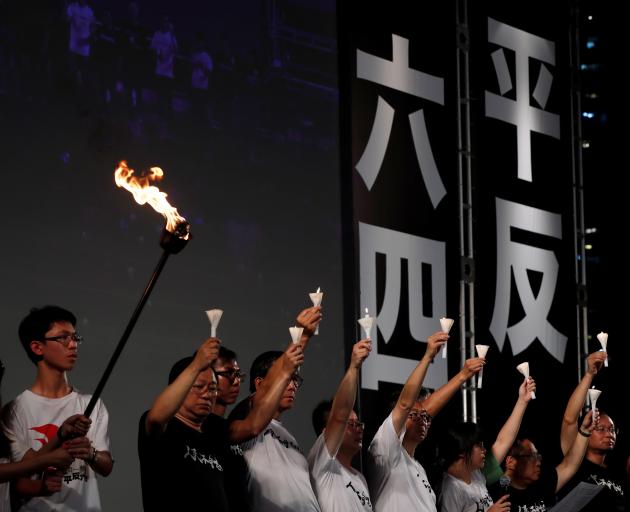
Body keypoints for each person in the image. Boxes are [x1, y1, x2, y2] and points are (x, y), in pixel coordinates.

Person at [2, 306, 113, 511]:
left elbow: (106, 466)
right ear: (37, 347)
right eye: (63, 338)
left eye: (75, 337)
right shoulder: (15, 410)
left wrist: (91, 453)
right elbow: (19, 476)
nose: (73, 345)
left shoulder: (92, 403)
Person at [367, 331, 484, 511]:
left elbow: (423, 410)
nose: (423, 420)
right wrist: (428, 356)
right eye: (414, 415)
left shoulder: (417, 467)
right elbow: (405, 404)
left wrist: (464, 375)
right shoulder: (386, 449)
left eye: (425, 418)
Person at [228, 306, 322, 512]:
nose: (292, 385)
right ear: (259, 384)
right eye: (288, 378)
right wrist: (302, 336)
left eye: (296, 380)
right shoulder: (249, 415)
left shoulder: (289, 437)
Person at [138, 337, 231, 510]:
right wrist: (196, 365)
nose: (206, 394)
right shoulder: (164, 427)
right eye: (198, 386)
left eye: (212, 388)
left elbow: (253, 425)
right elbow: (156, 418)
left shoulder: (214, 434)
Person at [438, 377, 537, 512]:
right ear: (462, 450)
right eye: (478, 445)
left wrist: (522, 401)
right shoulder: (451, 488)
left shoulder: (476, 474)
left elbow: (503, 441)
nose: (484, 450)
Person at [308, 339, 372, 511]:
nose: (358, 428)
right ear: (325, 433)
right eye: (349, 424)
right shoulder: (321, 462)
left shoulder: (360, 479)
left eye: (359, 423)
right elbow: (339, 415)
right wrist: (354, 367)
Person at [558, 351, 625, 511]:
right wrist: (590, 374)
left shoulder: (616, 474)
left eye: (611, 429)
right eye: (600, 429)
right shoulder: (575, 463)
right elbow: (570, 420)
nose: (609, 433)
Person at [488, 411, 595, 510]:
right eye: (531, 456)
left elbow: (569, 465)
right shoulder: (494, 495)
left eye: (538, 456)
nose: (538, 462)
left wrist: (584, 431)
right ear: (511, 462)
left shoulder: (541, 485)